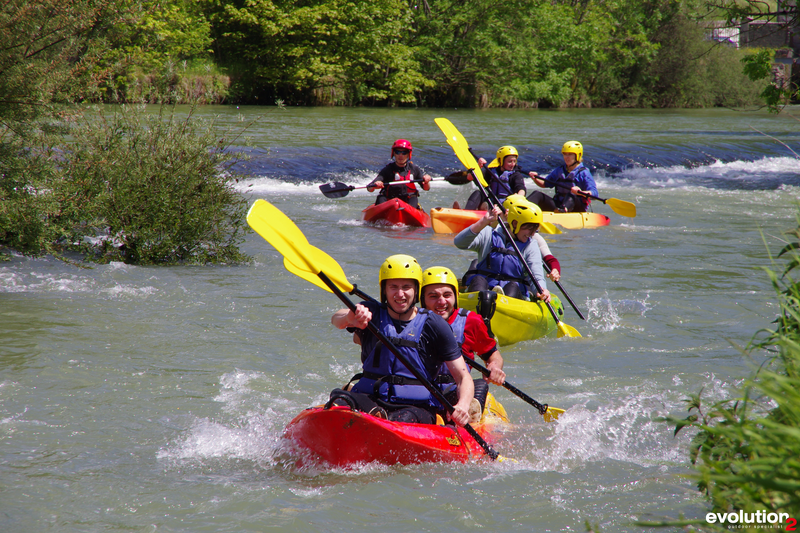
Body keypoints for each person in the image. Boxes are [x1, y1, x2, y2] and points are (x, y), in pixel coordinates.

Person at [328, 254, 473, 426]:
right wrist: (350, 316)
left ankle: (379, 421)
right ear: (384, 290)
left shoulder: (434, 324)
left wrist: (462, 405)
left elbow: (463, 377)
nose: (400, 294)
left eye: (406, 287)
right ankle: (374, 418)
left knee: (401, 419)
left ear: (416, 291)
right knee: (338, 400)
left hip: (415, 407)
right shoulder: (371, 312)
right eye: (393, 287)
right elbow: (337, 320)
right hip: (371, 398)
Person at [420, 266, 506, 424]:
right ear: (423, 299)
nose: (441, 301)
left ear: (456, 297)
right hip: (423, 390)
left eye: (447, 295)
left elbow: (493, 355)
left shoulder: (471, 321)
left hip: (457, 392)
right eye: (433, 296)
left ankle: (471, 411)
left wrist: (494, 367)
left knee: (479, 385)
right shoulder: (414, 321)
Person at [454, 195, 551, 302]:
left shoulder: (531, 245)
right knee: (478, 280)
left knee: (512, 287)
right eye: (529, 229)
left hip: (512, 296)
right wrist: (483, 221)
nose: (533, 233)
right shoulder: (489, 234)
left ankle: (498, 299)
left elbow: (536, 275)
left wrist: (542, 289)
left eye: (535, 229)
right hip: (484, 291)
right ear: (515, 223)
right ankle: (480, 308)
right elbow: (459, 243)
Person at [527, 141, 598, 213]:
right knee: (537, 194)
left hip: (576, 208)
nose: (566, 157)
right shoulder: (559, 170)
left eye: (570, 154)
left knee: (572, 193)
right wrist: (535, 178)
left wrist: (580, 192)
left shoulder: (584, 173)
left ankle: (564, 210)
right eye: (565, 154)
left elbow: (594, 193)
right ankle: (522, 208)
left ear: (578, 155)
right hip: (558, 206)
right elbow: (545, 183)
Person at [367, 139, 432, 209]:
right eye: (397, 152)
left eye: (404, 153)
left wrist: (426, 181)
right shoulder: (388, 169)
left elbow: (426, 188)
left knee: (414, 198)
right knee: (380, 198)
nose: (400, 155)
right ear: (393, 153)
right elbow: (369, 188)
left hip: (408, 200)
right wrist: (376, 185)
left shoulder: (414, 169)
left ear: (408, 154)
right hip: (390, 201)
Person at [464, 145, 528, 210]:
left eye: (514, 161)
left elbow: (521, 189)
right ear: (500, 161)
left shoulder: (516, 175)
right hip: (491, 203)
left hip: (505, 207)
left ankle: (485, 209)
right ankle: (466, 212)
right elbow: (470, 177)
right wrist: (478, 166)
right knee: (477, 193)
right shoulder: (491, 172)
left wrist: (518, 198)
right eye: (509, 161)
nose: (513, 164)